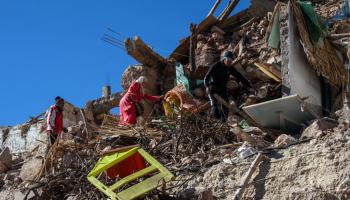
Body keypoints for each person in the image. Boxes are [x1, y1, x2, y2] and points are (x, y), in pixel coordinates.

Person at [204, 51, 252, 122]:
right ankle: (216, 121)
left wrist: (249, 85)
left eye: (231, 61)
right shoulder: (217, 65)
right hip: (213, 88)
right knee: (214, 106)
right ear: (225, 59)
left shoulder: (230, 68)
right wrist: (207, 86)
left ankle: (224, 122)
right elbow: (207, 77)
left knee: (226, 106)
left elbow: (239, 77)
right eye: (228, 61)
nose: (230, 62)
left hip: (222, 88)